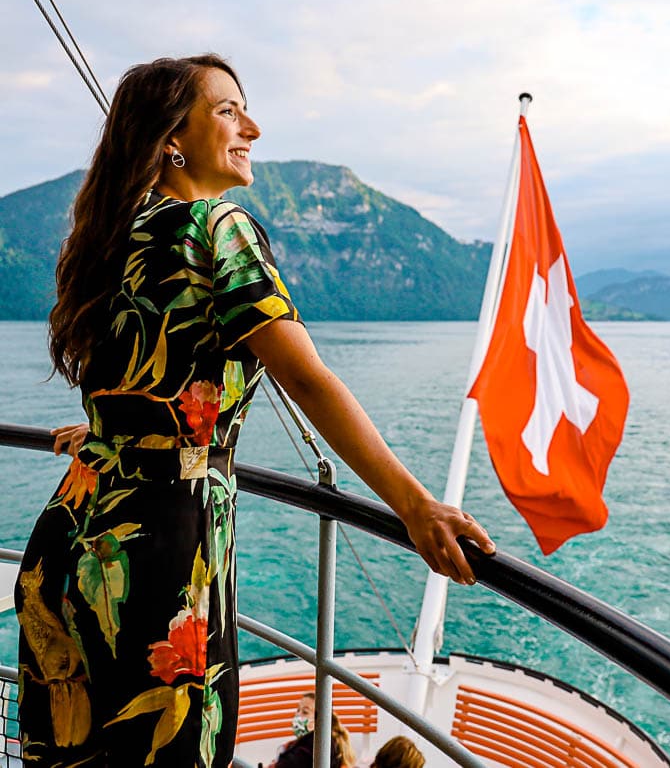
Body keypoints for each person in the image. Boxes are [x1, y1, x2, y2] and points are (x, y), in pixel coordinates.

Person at [15, 54, 495, 768]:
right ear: (171, 137)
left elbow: (138, 372)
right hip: (159, 555)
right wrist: (416, 504)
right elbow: (307, 379)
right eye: (228, 111)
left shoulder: (111, 235)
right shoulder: (220, 229)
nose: (253, 128)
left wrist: (118, 433)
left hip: (72, 532)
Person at [270, 709, 357, 768]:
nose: (298, 716)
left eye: (305, 712)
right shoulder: (340, 745)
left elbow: (292, 762)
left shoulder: (317, 741)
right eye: (298, 711)